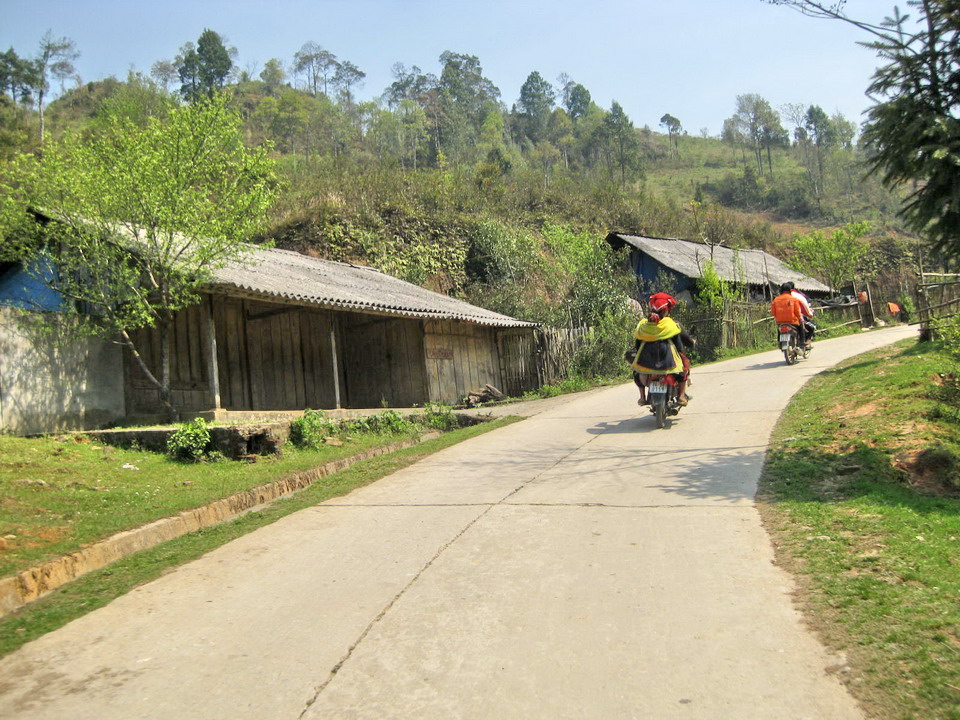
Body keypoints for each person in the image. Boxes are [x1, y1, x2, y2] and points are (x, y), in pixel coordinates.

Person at [628, 292, 695, 406]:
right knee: (684, 367)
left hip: (646, 363)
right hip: (668, 363)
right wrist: (682, 355)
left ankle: (642, 397)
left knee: (636, 370)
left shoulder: (643, 325)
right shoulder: (671, 324)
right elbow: (679, 346)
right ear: (665, 311)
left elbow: (638, 345)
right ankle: (681, 396)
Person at [771, 282, 807, 346]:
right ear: (791, 290)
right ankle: (802, 341)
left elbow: (773, 312)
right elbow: (797, 312)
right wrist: (800, 318)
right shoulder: (794, 299)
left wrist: (778, 317)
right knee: (801, 326)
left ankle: (779, 342)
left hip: (780, 321)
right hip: (792, 321)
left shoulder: (776, 300)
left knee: (779, 329)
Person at [787, 282, 816, 348]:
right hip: (797, 318)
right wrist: (810, 314)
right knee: (810, 326)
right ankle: (803, 341)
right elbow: (805, 305)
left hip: (783, 319)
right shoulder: (798, 295)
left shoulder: (780, 297)